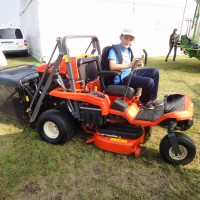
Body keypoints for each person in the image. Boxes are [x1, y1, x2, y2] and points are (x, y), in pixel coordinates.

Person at [107, 28, 163, 110]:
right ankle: (144, 102)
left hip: (129, 73)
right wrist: (130, 65)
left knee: (155, 72)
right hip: (121, 78)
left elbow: (128, 65)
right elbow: (112, 66)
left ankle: (152, 99)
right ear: (120, 37)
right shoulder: (114, 50)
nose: (128, 41)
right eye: (126, 38)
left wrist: (136, 64)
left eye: (131, 40)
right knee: (149, 82)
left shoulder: (128, 50)